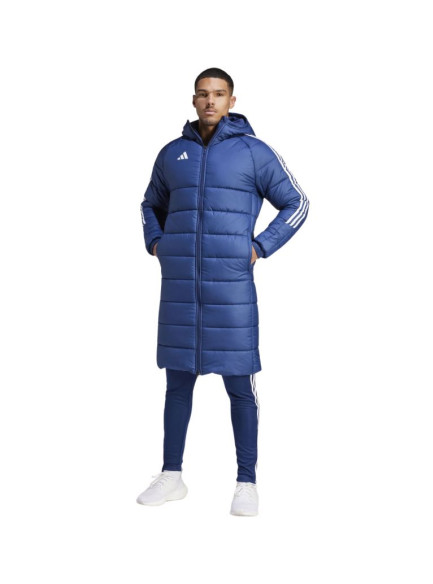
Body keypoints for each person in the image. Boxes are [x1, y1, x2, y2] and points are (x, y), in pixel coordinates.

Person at [137, 68, 309, 516]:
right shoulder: (172, 153)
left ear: (232, 101)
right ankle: (171, 475)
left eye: (218, 94)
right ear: (193, 100)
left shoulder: (254, 152)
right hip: (180, 289)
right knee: (177, 383)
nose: (210, 101)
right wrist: (157, 243)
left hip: (232, 288)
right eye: (203, 94)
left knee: (239, 386)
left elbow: (298, 203)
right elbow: (150, 204)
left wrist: (259, 247)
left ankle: (246, 481)